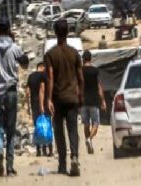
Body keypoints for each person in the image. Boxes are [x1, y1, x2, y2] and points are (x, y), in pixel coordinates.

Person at [0, 19, 28, 177]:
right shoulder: (15, 48)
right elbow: (25, 64)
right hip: (11, 92)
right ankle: (10, 167)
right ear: (9, 29)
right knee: (11, 131)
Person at [45, 19, 82, 176]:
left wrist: (48, 99)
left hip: (58, 99)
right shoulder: (74, 53)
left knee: (59, 133)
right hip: (72, 98)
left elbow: (50, 78)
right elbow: (81, 78)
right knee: (73, 130)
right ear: (67, 32)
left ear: (55, 32)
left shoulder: (50, 54)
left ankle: (62, 164)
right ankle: (74, 156)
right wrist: (81, 95)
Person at [80, 50, 106, 155]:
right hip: (94, 101)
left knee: (86, 124)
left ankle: (88, 141)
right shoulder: (95, 71)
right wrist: (103, 100)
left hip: (83, 102)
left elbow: (78, 86)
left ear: (83, 59)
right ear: (90, 59)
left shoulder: (80, 71)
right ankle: (89, 139)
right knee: (95, 123)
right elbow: (99, 87)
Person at [26, 60, 51, 157]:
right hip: (44, 104)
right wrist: (43, 105)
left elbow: (27, 92)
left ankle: (38, 150)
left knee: (37, 127)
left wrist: (28, 106)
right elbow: (43, 89)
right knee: (46, 125)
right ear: (42, 67)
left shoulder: (30, 76)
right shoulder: (44, 75)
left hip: (33, 105)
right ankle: (46, 149)